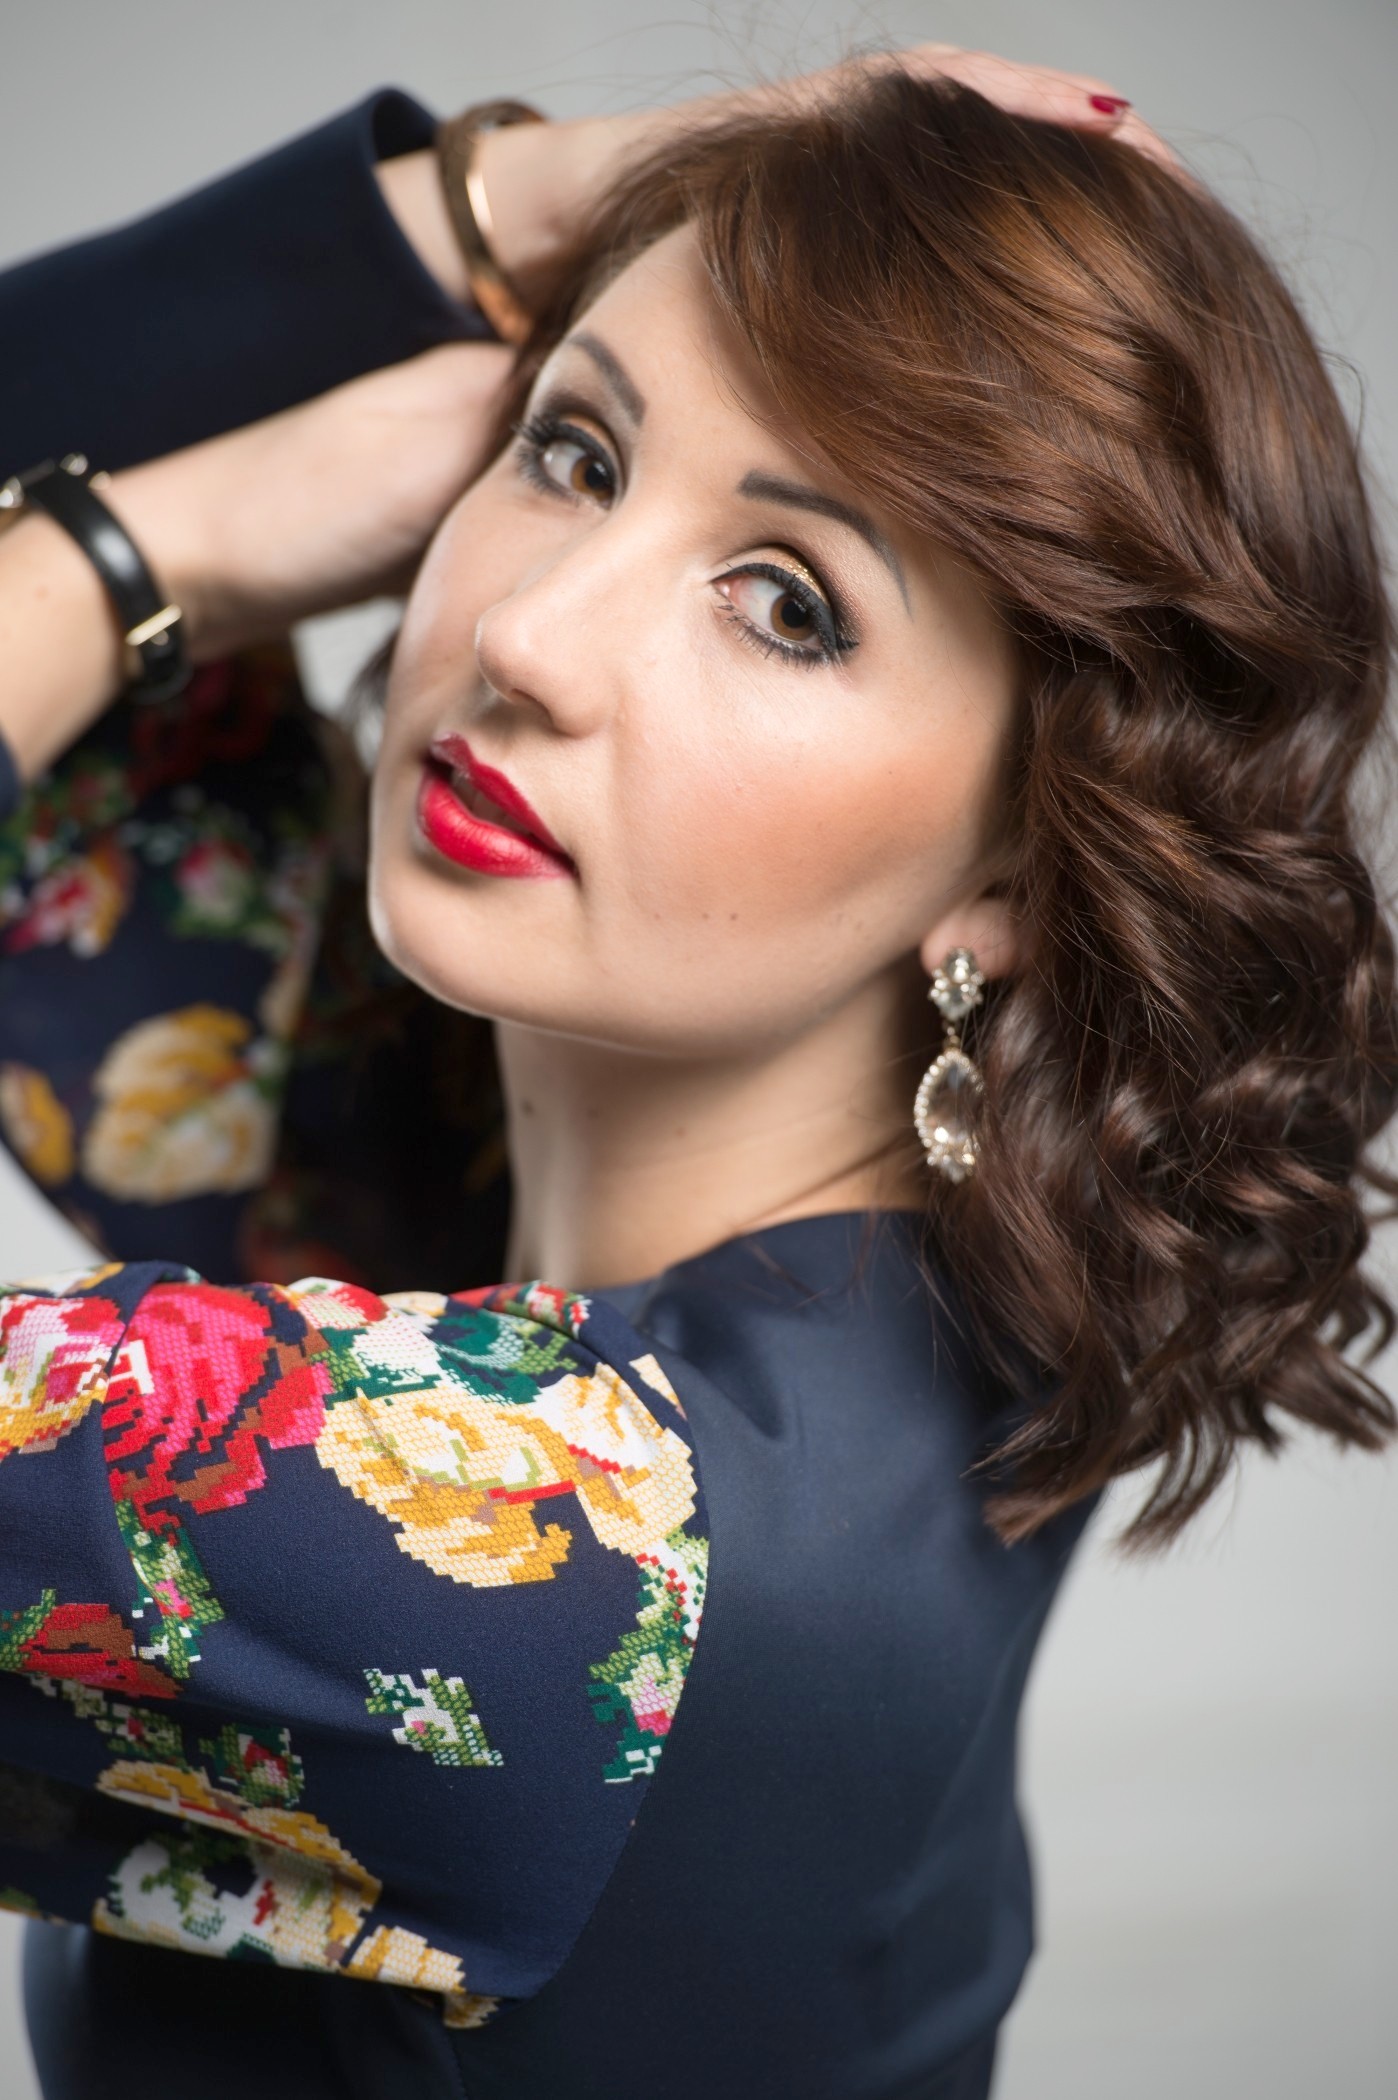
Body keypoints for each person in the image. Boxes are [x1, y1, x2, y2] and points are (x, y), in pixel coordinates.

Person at [0, 46, 1392, 2100]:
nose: (532, 638)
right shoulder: (907, 1288)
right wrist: (523, 198)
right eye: (572, 454)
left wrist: (136, 560)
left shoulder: (554, 1544)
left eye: (785, 605)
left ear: (1019, 862)